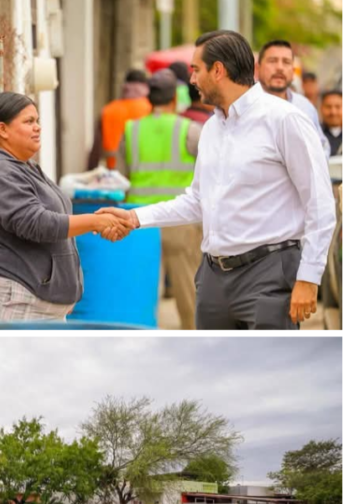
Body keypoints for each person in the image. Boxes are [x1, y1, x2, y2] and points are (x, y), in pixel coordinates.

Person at [100, 30, 336, 329]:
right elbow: (198, 201)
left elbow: (320, 203)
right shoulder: (212, 128)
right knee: (213, 371)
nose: (192, 79)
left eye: (196, 69)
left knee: (268, 372)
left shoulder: (284, 120)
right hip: (213, 278)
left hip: (270, 276)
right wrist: (134, 217)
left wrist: (308, 277)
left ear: (218, 70)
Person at [0, 93, 127, 322]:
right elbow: (37, 223)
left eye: (37, 121)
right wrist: (96, 221)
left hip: (37, 301)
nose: (38, 128)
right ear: (2, 130)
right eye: (28, 122)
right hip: (18, 300)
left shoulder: (25, 166)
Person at [117, 72, 203, 329]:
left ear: (149, 99)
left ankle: (140, 334)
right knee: (188, 287)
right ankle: (193, 335)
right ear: (175, 99)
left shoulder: (131, 130)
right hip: (179, 220)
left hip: (139, 221)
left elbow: (120, 179)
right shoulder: (191, 130)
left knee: (143, 287)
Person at [256, 40, 331, 158]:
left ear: (293, 70)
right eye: (272, 61)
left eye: (286, 62)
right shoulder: (245, 105)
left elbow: (322, 147)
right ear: (257, 68)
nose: (280, 68)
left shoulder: (305, 107)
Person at [90, 69, 152, 169]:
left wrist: (91, 169)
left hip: (113, 171)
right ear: (145, 87)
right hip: (141, 170)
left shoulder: (109, 110)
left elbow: (96, 149)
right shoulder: (150, 109)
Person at [321, 89, 343, 157]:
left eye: (338, 107)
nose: (333, 112)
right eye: (328, 107)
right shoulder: (316, 134)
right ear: (321, 108)